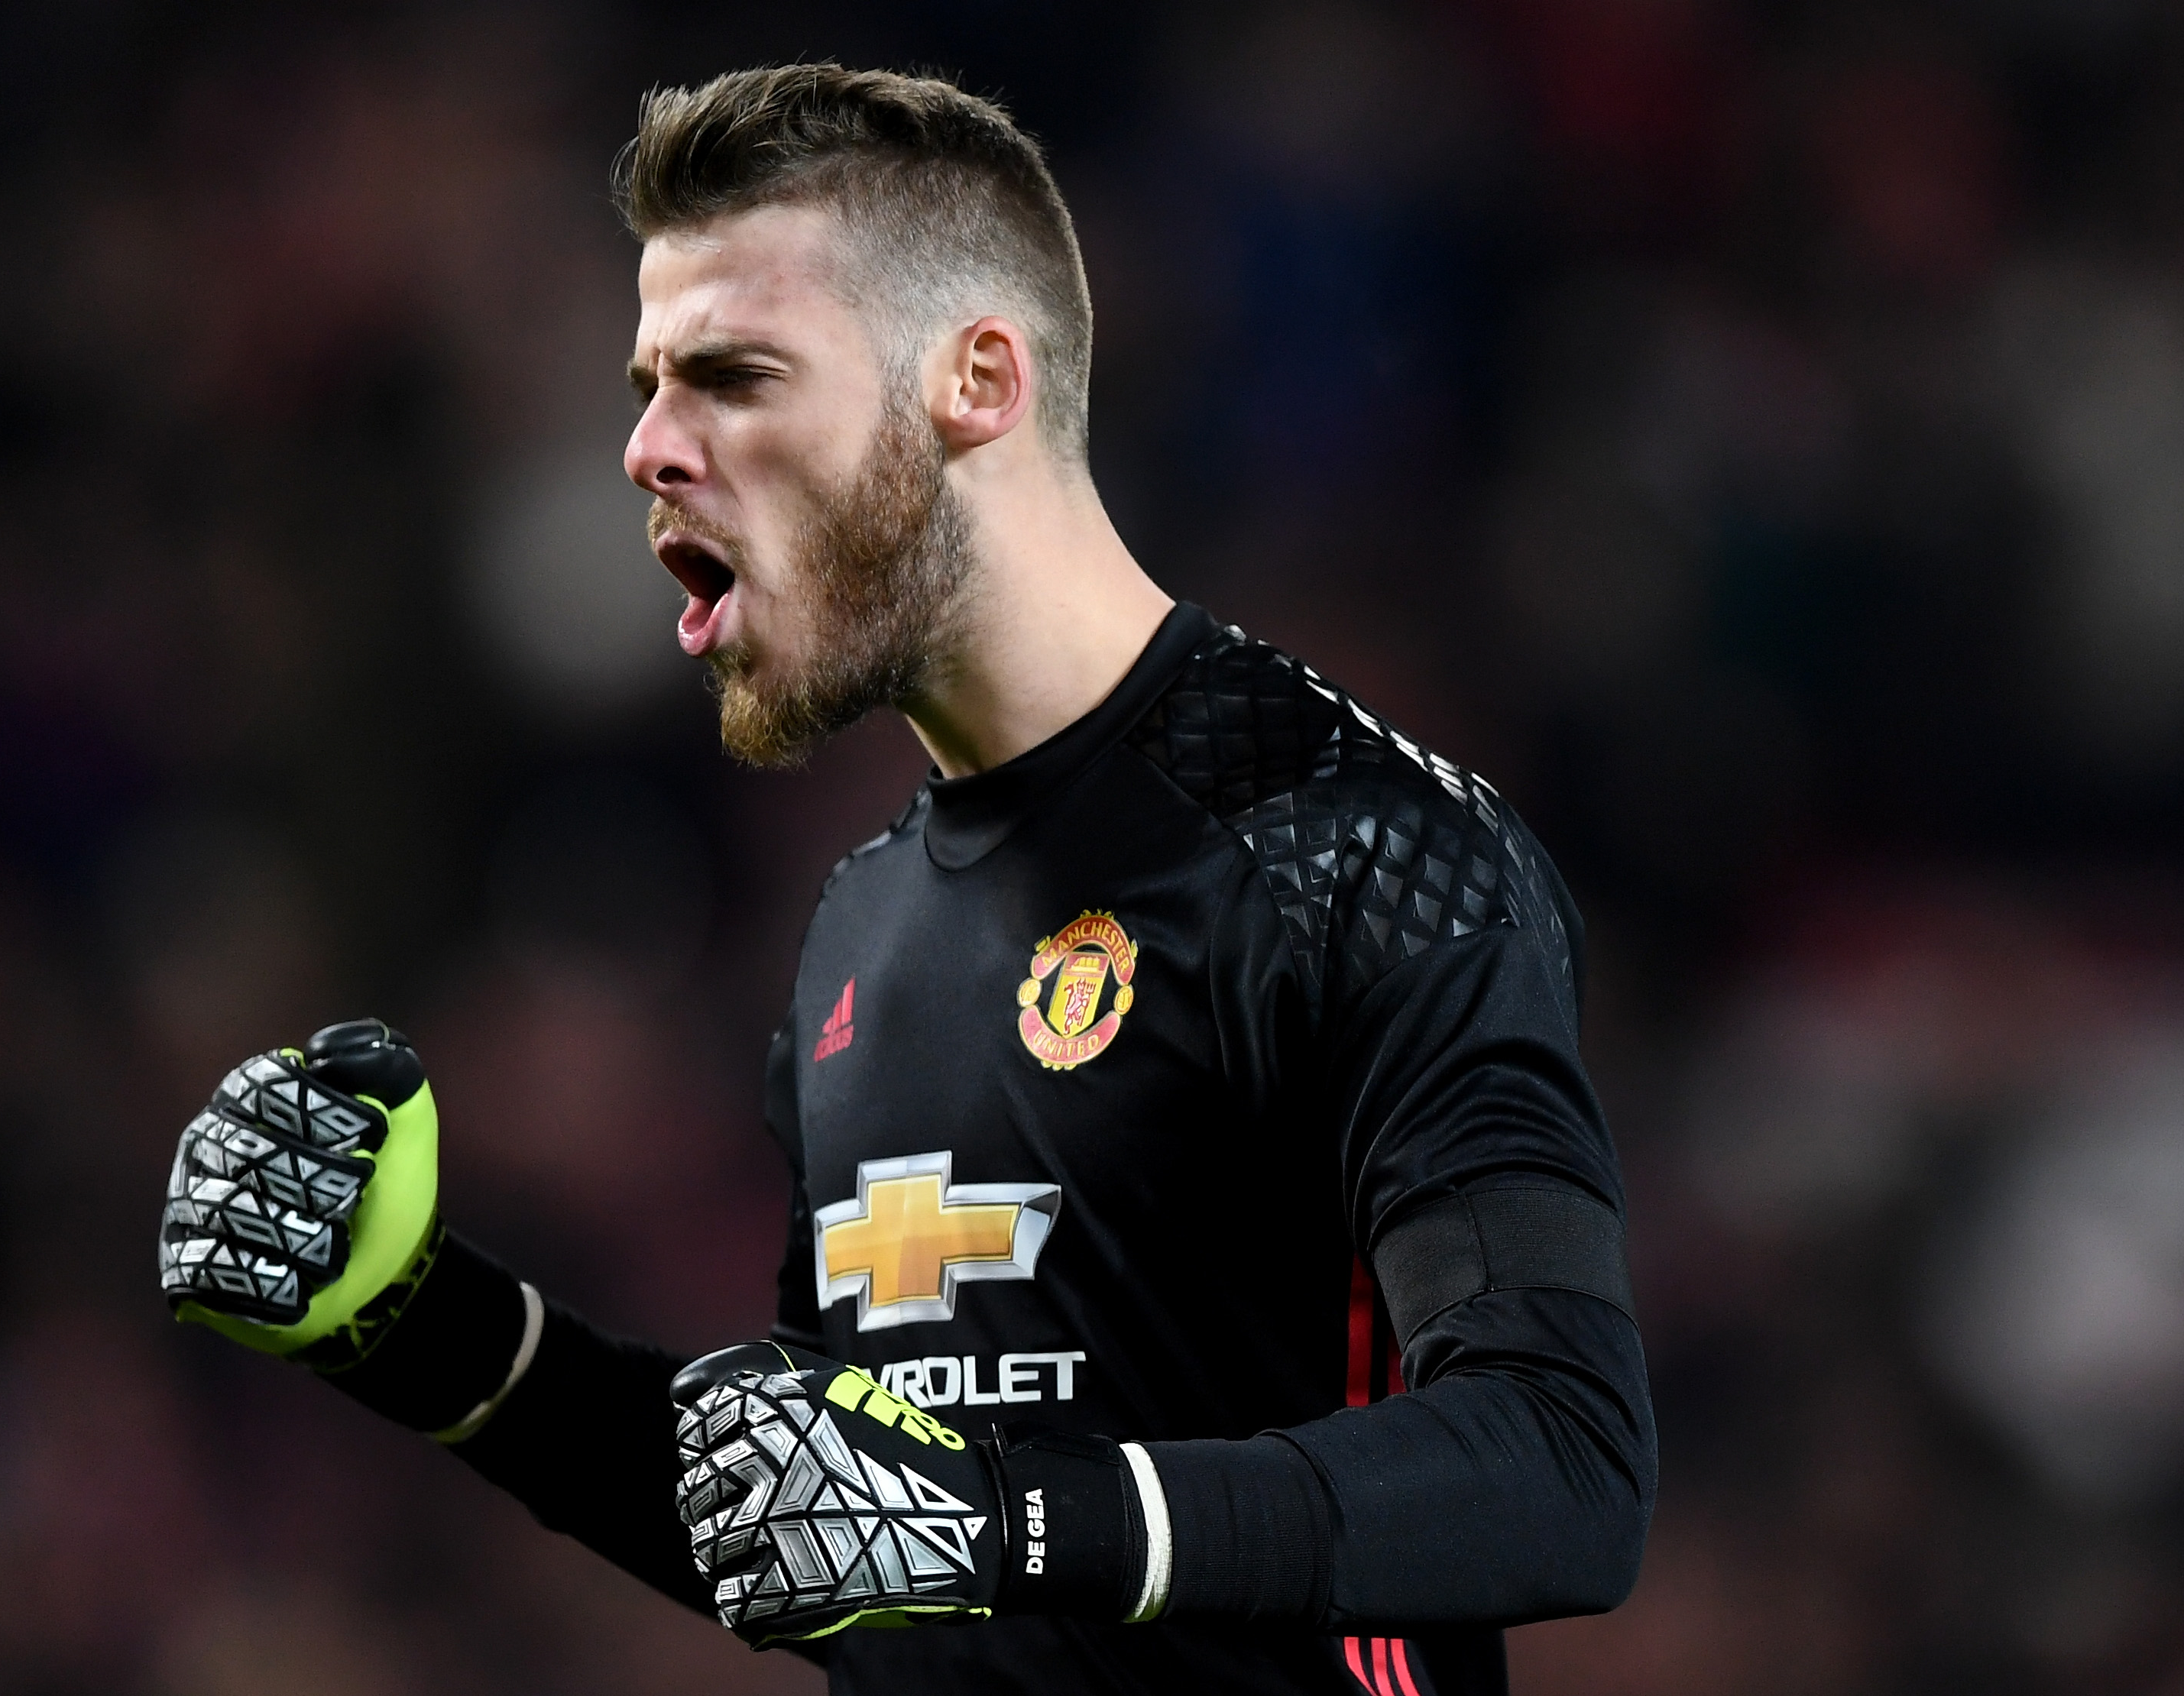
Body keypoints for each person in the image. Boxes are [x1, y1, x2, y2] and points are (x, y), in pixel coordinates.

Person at [155, 63, 1654, 1696]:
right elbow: (824, 1533)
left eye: (731, 375)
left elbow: (1562, 1465)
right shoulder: (859, 931)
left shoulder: (1358, 846)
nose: (651, 448)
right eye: (650, 388)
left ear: (978, 383)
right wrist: (414, 1324)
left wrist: (1007, 1522)